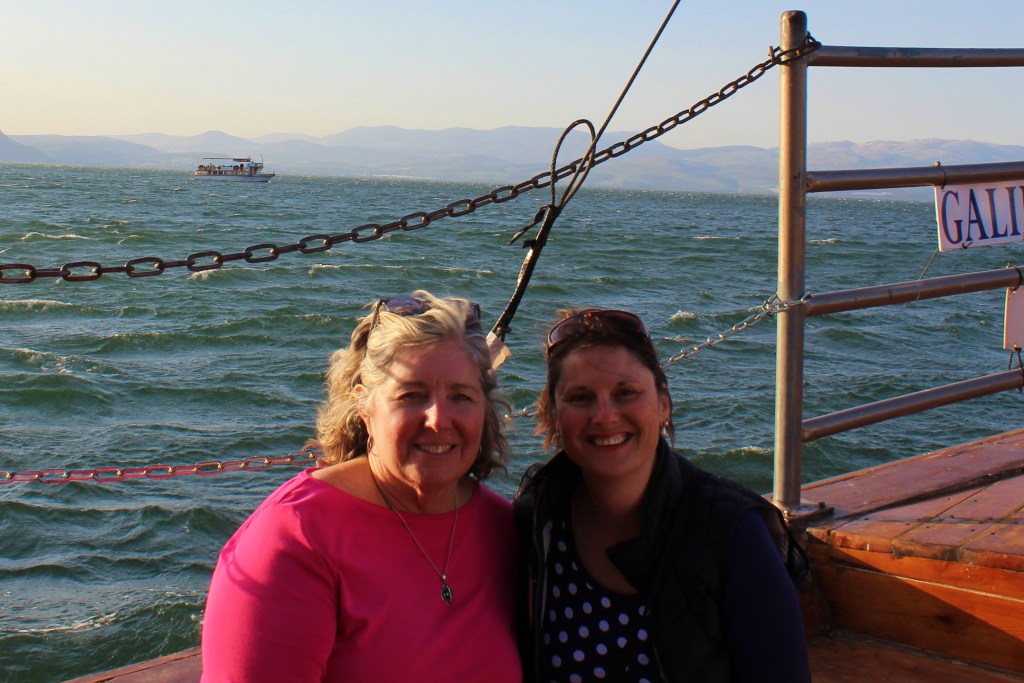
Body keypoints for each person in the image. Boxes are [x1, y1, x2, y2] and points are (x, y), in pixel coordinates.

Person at [201, 291, 522, 682]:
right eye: (412, 395)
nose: (439, 419)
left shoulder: (507, 531)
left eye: (460, 396)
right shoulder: (295, 541)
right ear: (363, 407)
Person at [515, 308, 810, 682]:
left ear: (663, 404)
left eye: (626, 393)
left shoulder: (732, 532)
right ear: (553, 416)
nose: (605, 416)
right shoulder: (539, 515)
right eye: (580, 398)